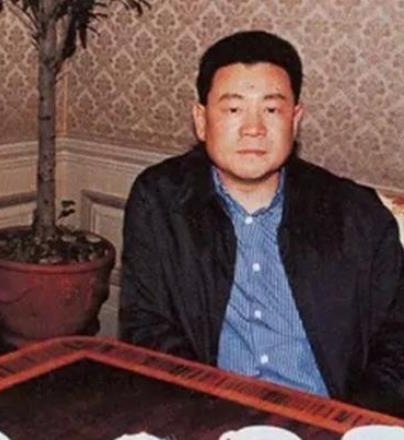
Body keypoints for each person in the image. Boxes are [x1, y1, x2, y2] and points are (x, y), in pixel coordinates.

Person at [119, 30, 404, 416]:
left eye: (271, 110)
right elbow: (145, 330)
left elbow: (396, 346)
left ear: (295, 120)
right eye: (233, 110)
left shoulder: (357, 216)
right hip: (207, 416)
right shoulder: (159, 201)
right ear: (201, 120)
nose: (253, 128)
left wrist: (343, 425)